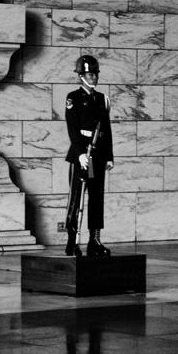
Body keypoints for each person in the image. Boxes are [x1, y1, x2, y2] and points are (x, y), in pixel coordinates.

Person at [64, 54, 114, 257]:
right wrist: (79, 154)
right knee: (76, 197)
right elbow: (72, 129)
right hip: (82, 154)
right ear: (81, 76)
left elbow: (107, 130)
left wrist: (109, 156)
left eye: (95, 74)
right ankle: (72, 241)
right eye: (90, 74)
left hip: (98, 155)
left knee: (96, 198)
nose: (94, 77)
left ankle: (94, 240)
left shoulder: (103, 99)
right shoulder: (73, 98)